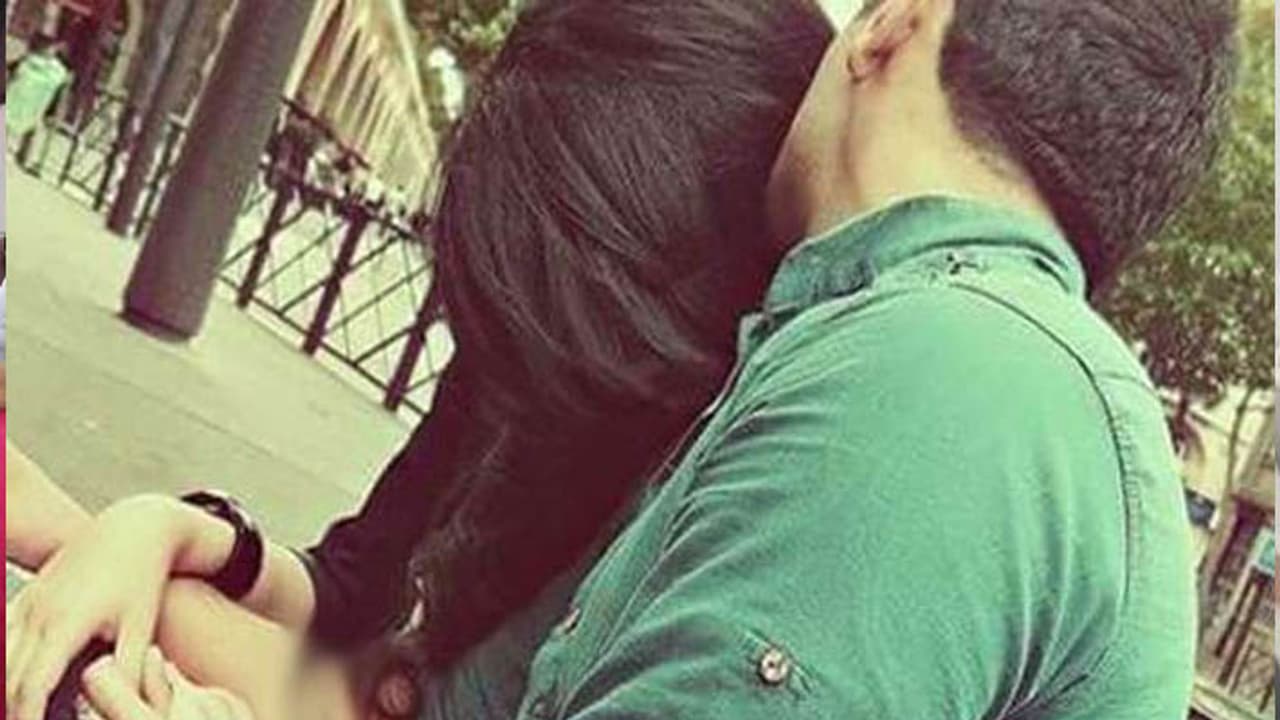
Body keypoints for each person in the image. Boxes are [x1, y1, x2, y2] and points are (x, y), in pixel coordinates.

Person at [8, 0, 1240, 717]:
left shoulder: (934, 383)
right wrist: (130, 534)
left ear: (892, 27)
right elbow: (406, 682)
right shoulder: (867, 360)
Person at [5, 1, 833, 718]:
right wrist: (160, 531)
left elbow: (380, 700)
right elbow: (352, 596)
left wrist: (78, 540)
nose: (538, 388)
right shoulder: (535, 352)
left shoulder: (736, 517)